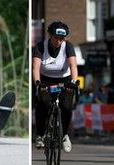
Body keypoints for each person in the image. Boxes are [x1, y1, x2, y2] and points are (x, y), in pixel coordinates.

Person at [33, 21, 79, 152]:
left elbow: (73, 66)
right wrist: (37, 82)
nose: (59, 41)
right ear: (50, 35)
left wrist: (74, 81)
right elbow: (35, 68)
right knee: (43, 103)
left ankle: (64, 135)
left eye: (62, 38)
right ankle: (40, 135)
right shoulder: (41, 46)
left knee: (66, 106)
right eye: (56, 38)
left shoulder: (68, 46)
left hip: (64, 80)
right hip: (45, 81)